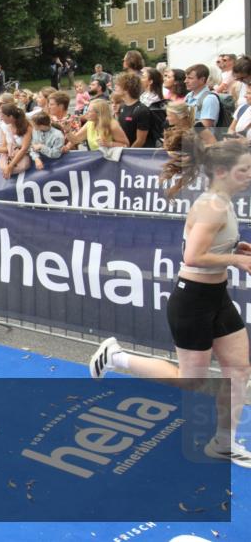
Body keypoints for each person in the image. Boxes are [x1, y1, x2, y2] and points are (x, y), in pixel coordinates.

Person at [89, 137, 251, 468]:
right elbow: (191, 256)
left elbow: (209, 246)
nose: (249, 175)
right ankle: (117, 358)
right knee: (192, 381)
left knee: (239, 368)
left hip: (216, 297)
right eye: (244, 170)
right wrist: (235, 260)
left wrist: (235, 248)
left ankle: (223, 443)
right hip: (192, 299)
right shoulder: (212, 206)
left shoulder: (223, 200)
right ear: (221, 171)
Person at [62, 99, 128, 153]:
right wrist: (67, 130)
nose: (86, 114)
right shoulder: (90, 123)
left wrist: (109, 144)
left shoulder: (112, 125)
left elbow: (126, 145)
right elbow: (75, 140)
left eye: (89, 111)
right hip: (97, 162)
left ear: (99, 113)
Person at [0, 104, 33, 179]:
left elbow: (24, 149)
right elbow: (7, 148)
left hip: (28, 169)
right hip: (12, 161)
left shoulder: (27, 127)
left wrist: (10, 166)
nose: (1, 118)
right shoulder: (5, 127)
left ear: (10, 117)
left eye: (3, 116)